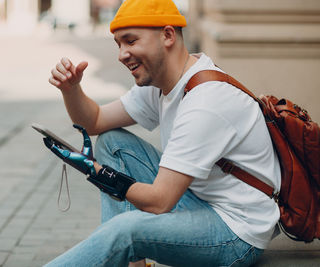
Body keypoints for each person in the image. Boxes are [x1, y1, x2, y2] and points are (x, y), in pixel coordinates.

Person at [44, 0, 281, 266]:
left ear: (167, 35)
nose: (122, 54)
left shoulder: (206, 102)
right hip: (199, 201)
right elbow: (96, 121)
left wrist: (94, 170)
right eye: (118, 44)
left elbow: (160, 202)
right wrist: (71, 89)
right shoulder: (162, 84)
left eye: (130, 41)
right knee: (112, 142)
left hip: (236, 234)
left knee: (126, 231)